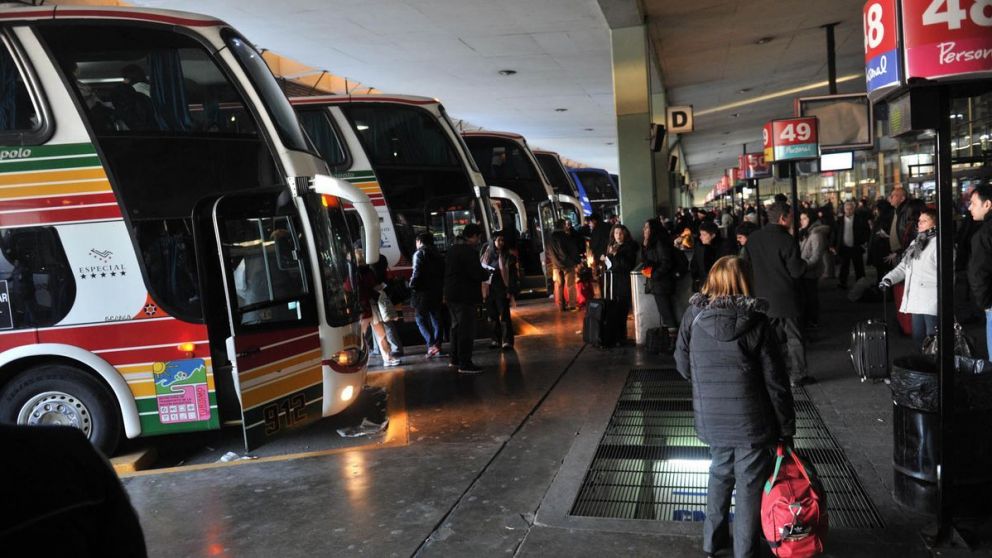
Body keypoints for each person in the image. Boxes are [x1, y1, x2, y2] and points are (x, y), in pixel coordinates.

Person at [675, 255, 795, 558]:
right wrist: (786, 428)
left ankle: (711, 544)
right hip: (753, 424)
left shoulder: (694, 316)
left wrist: (708, 384)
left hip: (711, 419)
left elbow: (682, 364)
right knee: (749, 485)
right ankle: (745, 551)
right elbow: (776, 383)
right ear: (745, 282)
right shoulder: (758, 323)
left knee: (719, 475)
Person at [743, 201, 811, 386]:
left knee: (767, 339)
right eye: (791, 216)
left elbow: (745, 265)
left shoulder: (753, 238)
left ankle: (771, 372)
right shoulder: (787, 240)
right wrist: (805, 264)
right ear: (783, 218)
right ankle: (797, 376)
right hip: (786, 298)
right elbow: (796, 271)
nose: (793, 220)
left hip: (761, 299)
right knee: (794, 338)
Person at [880, 208, 940, 349]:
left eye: (924, 221)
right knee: (918, 337)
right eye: (919, 220)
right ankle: (926, 368)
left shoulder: (940, 244)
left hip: (933, 300)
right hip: (916, 299)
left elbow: (949, 275)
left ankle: (937, 368)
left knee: (934, 339)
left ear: (936, 223)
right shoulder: (917, 242)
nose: (919, 223)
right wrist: (889, 278)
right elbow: (903, 266)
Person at [443, 223, 490, 374]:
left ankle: (454, 359)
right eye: (478, 237)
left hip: (451, 295)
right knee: (466, 329)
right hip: (464, 295)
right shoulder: (468, 251)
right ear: (474, 236)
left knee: (455, 327)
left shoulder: (452, 249)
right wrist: (486, 274)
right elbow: (475, 273)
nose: (478, 240)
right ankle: (465, 363)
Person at [355, 249, 399, 367]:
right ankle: (387, 358)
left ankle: (360, 361)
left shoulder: (354, 273)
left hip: (362, 308)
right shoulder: (368, 271)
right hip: (371, 305)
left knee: (360, 337)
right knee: (381, 334)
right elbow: (373, 287)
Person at [641, 218, 680, 337]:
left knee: (666, 312)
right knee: (664, 312)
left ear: (653, 229)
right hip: (658, 283)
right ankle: (672, 338)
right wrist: (645, 244)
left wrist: (654, 275)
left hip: (662, 282)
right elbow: (645, 260)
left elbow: (666, 262)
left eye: (647, 227)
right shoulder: (651, 242)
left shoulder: (660, 242)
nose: (644, 230)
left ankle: (674, 341)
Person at [481, 231, 519, 350]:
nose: (501, 243)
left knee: (504, 315)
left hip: (502, 287)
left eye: (503, 240)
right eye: (499, 240)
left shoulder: (508, 256)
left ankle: (507, 341)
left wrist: (510, 290)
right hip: (489, 288)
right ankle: (495, 340)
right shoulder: (486, 254)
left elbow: (512, 275)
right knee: (492, 315)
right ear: (493, 241)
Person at [602, 224, 639, 342]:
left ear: (625, 234)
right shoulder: (612, 246)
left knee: (622, 310)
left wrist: (615, 255)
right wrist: (606, 258)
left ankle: (621, 337)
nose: (618, 236)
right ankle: (615, 336)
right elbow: (610, 265)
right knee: (613, 310)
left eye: (621, 233)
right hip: (612, 282)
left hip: (623, 282)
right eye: (616, 233)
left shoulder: (630, 247)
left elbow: (627, 265)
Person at [410, 232, 445, 358]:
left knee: (420, 318)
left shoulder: (419, 253)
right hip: (436, 291)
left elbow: (416, 272)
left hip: (422, 292)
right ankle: (438, 345)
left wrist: (411, 285)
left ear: (419, 241)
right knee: (436, 318)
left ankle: (431, 344)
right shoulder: (439, 254)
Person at [967, 185, 992, 356]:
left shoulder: (984, 234)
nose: (969, 208)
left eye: (973, 203)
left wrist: (986, 304)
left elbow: (978, 273)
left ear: (987, 205)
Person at [798, 210, 830, 329]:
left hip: (810, 271)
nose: (802, 221)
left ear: (811, 219)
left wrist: (804, 266)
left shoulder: (816, 234)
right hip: (805, 270)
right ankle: (811, 319)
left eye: (804, 218)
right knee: (808, 296)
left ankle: (813, 320)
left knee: (811, 297)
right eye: (801, 218)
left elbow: (816, 256)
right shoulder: (807, 232)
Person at [832, 200, 870, 289]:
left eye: (850, 209)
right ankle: (842, 283)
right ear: (844, 209)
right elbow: (835, 233)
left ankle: (860, 283)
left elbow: (866, 231)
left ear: (854, 209)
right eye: (847, 209)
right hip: (844, 247)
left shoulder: (859, 219)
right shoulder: (840, 220)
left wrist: (864, 242)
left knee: (859, 266)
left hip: (856, 247)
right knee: (844, 267)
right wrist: (832, 245)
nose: (848, 211)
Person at [548, 219, 581, 312]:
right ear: (563, 226)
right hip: (568, 264)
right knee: (570, 285)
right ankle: (572, 305)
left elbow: (549, 252)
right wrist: (576, 261)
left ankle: (561, 306)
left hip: (556, 265)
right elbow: (573, 250)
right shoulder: (566, 237)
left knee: (558, 285)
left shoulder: (550, 238)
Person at [690, 221, 719, 292]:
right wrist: (696, 279)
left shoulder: (722, 249)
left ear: (713, 235)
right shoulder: (699, 247)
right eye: (700, 234)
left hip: (717, 285)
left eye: (704, 234)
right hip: (703, 284)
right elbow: (694, 264)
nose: (700, 237)